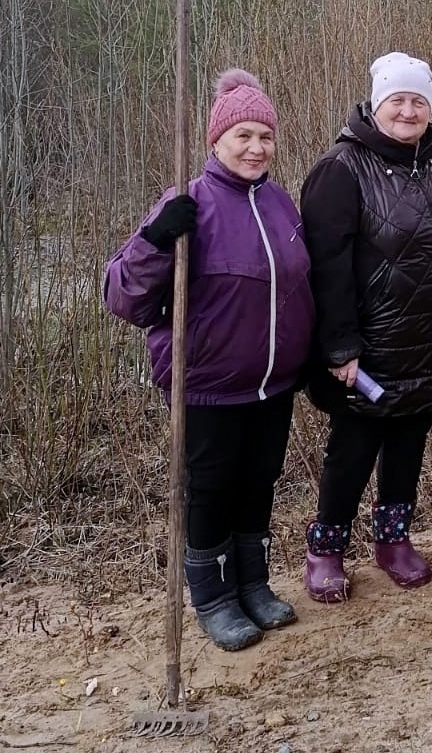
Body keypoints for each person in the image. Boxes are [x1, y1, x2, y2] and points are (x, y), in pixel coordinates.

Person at [104, 69, 315, 651]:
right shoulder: (187, 202)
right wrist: (154, 241)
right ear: (216, 141)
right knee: (212, 489)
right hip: (207, 385)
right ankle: (214, 598)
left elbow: (301, 286)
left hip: (272, 385)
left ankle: (254, 584)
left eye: (265, 137)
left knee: (259, 484)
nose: (256, 148)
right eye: (243, 135)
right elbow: (122, 296)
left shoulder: (278, 202)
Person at [300, 53, 432, 601]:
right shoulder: (341, 168)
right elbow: (326, 267)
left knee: (409, 443)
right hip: (367, 347)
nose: (408, 110)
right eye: (397, 100)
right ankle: (326, 549)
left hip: (429, 340)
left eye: (418, 101)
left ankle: (393, 540)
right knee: (353, 449)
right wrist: (339, 347)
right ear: (376, 104)